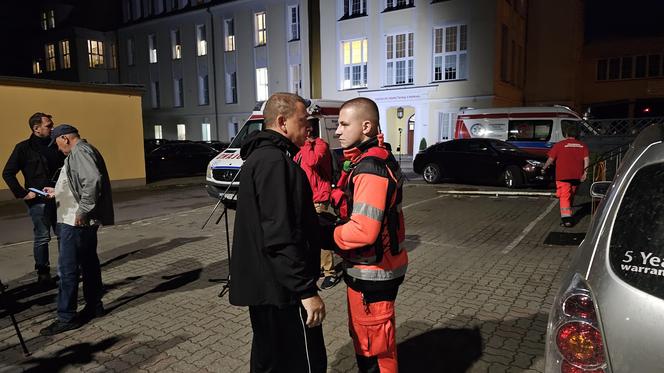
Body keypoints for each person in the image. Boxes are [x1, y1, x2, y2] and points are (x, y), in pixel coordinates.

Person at [229, 93, 327, 373]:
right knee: (302, 363)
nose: (308, 127)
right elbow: (280, 234)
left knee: (269, 360)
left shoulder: (264, 158)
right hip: (281, 290)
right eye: (303, 120)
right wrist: (306, 291)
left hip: (268, 286)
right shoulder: (274, 162)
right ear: (283, 122)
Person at [326, 97, 408, 373]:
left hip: (373, 274)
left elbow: (363, 230)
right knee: (371, 343)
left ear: (366, 126)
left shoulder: (370, 167)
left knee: (374, 352)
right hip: (372, 271)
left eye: (343, 124)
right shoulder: (369, 158)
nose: (337, 131)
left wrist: (326, 234)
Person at [39, 124, 114, 336]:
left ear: (64, 138)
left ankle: (66, 317)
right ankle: (94, 306)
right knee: (89, 263)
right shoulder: (83, 151)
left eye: (57, 143)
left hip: (74, 221)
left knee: (68, 270)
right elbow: (79, 182)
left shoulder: (80, 151)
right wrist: (58, 191)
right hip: (78, 219)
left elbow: (92, 180)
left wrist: (83, 210)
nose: (57, 148)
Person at [2, 112, 64, 285]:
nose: (52, 128)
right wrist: (23, 193)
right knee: (43, 237)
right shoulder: (23, 148)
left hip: (59, 198)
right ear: (36, 128)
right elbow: (7, 173)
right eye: (49, 126)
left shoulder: (56, 145)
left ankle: (65, 269)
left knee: (62, 235)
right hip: (38, 202)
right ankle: (43, 272)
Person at [294, 120, 339, 290]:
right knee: (310, 235)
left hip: (319, 197)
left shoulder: (320, 145)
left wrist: (306, 143)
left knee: (320, 234)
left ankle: (330, 273)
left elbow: (312, 161)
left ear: (308, 131)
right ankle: (320, 266)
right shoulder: (300, 148)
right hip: (306, 197)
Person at [542, 125, 590, 227]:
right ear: (577, 135)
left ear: (566, 134)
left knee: (564, 196)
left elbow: (551, 159)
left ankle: (567, 220)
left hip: (563, 175)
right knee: (570, 195)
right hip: (577, 175)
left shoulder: (559, 145)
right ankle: (568, 210)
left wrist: (544, 168)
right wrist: (585, 172)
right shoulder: (582, 145)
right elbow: (586, 160)